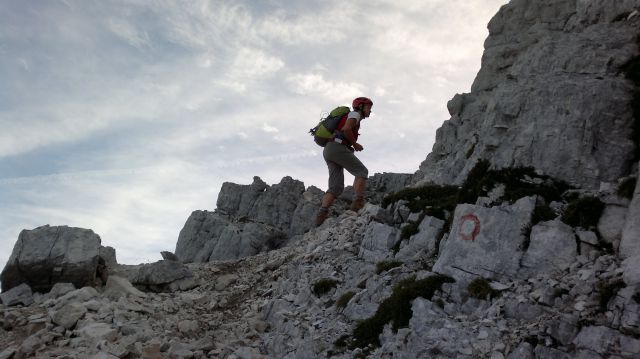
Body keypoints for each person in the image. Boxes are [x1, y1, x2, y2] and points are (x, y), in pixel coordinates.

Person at [315, 97, 373, 226]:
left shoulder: (351, 115)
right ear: (361, 107)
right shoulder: (355, 114)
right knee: (362, 171)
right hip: (337, 147)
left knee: (336, 187)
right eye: (369, 108)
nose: (370, 111)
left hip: (329, 150)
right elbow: (346, 129)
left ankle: (322, 214)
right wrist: (355, 144)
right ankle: (358, 202)